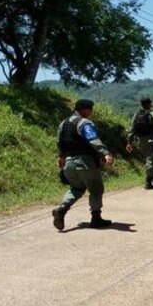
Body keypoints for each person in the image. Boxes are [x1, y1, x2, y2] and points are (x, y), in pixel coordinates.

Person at [52, 99, 114, 231]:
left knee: (76, 188)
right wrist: (105, 153)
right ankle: (96, 218)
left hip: (69, 163)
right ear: (85, 109)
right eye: (90, 109)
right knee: (96, 188)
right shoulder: (84, 123)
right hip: (84, 162)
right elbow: (93, 139)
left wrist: (61, 156)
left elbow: (60, 142)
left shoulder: (63, 123)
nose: (91, 112)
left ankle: (62, 209)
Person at [126, 98, 153, 189]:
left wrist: (129, 142)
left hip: (140, 141)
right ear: (150, 104)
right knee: (150, 160)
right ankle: (148, 181)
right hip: (152, 139)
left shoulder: (137, 114)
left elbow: (132, 128)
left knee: (148, 159)